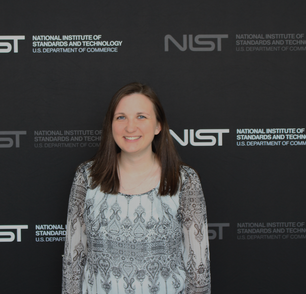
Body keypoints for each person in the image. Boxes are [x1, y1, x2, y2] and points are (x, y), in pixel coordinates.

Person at [62, 83, 210, 294]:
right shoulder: (87, 177)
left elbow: (199, 268)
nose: (130, 127)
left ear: (158, 125)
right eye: (121, 117)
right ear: (110, 125)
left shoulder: (184, 180)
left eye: (141, 116)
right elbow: (72, 262)